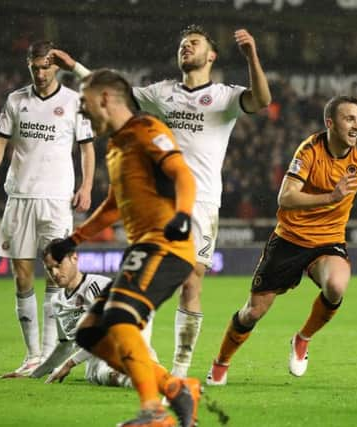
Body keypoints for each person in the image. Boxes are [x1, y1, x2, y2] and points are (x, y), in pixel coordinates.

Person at [50, 25, 271, 377]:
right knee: (147, 282)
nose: (186, 48)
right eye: (183, 44)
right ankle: (142, 360)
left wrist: (252, 57)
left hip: (200, 204)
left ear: (211, 55)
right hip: (155, 203)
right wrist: (75, 67)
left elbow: (261, 100)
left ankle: (180, 371)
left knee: (190, 283)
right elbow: (112, 95)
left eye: (194, 44)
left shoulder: (224, 97)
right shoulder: (162, 92)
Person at [205, 95, 357, 385]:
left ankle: (302, 339)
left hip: (328, 241)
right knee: (253, 312)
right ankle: (220, 364)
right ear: (330, 122)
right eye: (349, 119)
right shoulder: (310, 150)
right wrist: (332, 196)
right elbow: (285, 197)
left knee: (336, 286)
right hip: (290, 239)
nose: (356, 126)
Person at [48, 69, 201, 427]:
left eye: (84, 103)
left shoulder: (148, 129)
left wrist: (182, 214)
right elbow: (114, 206)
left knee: (119, 318)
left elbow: (182, 174)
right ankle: (175, 388)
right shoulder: (116, 146)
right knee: (90, 333)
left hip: (165, 246)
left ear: (104, 98)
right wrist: (75, 239)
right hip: (143, 248)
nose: (81, 112)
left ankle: (154, 412)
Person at [0, 40, 95, 376]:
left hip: (57, 198)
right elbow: (0, 140)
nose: (41, 72)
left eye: (46, 66)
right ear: (28, 65)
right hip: (20, 196)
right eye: (35, 67)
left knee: (57, 277)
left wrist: (86, 186)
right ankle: (32, 355)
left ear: (56, 67)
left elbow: (87, 149)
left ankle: (49, 355)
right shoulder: (16, 100)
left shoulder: (74, 102)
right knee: (21, 276)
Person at [1, 238, 156, 387]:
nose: (54, 273)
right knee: (102, 374)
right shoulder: (57, 301)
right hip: (97, 361)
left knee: (117, 369)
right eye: (49, 269)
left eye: (58, 265)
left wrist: (70, 363)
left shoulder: (98, 287)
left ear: (74, 258)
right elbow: (65, 346)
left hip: (122, 344)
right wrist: (34, 374)